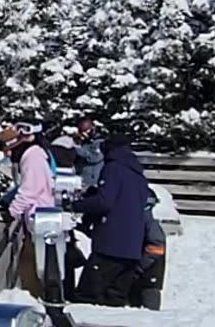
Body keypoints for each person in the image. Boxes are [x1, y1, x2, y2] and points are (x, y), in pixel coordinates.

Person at [71, 134, 151, 307]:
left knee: (86, 298)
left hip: (111, 246)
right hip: (132, 248)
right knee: (114, 303)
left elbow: (105, 202)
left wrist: (78, 205)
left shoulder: (113, 168)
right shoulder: (138, 174)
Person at [0, 123, 56, 298]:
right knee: (28, 266)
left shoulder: (32, 158)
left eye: (7, 150)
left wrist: (11, 211)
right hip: (34, 220)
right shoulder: (30, 156)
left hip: (41, 220)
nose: (7, 155)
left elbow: (30, 190)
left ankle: (39, 303)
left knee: (33, 268)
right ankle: (36, 299)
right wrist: (6, 201)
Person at [130, 193, 167, 311]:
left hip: (149, 277)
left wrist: (139, 266)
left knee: (148, 316)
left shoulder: (149, 223)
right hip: (139, 277)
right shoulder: (143, 221)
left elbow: (156, 248)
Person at [74, 117, 105, 188]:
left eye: (84, 131)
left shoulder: (99, 142)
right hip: (83, 177)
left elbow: (94, 158)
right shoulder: (85, 142)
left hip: (93, 180)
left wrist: (78, 149)